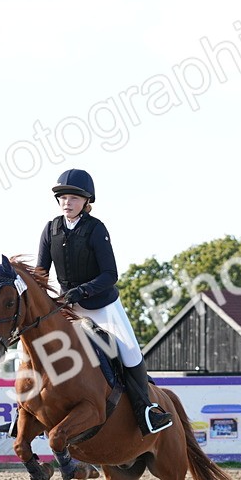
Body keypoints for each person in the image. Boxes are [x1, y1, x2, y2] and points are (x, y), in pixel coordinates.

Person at [36, 168, 172, 436]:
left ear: (87, 202)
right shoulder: (50, 229)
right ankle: (23, 412)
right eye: (63, 197)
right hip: (66, 308)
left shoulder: (96, 229)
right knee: (32, 346)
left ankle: (145, 410)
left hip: (101, 306)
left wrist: (81, 292)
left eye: (73, 198)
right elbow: (41, 273)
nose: (67, 202)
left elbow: (111, 275)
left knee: (130, 351)